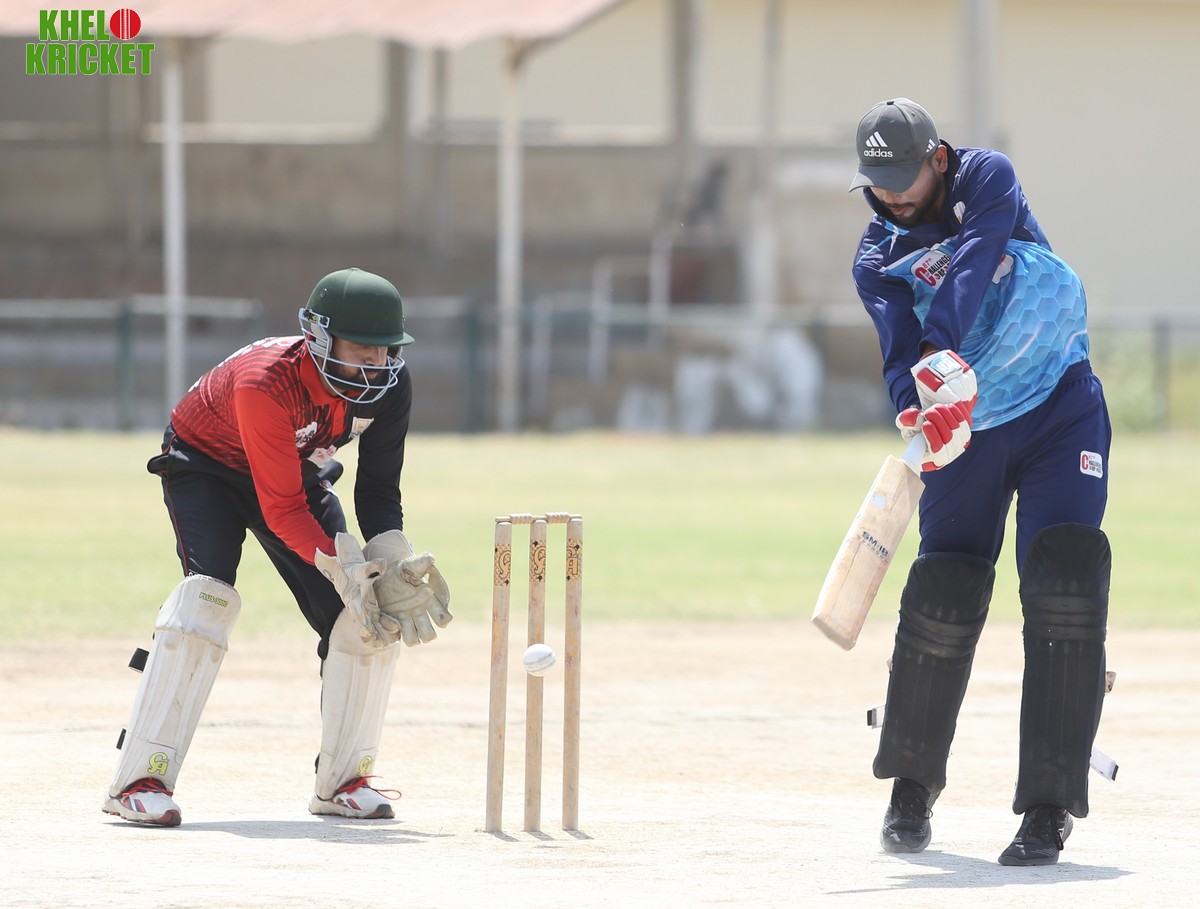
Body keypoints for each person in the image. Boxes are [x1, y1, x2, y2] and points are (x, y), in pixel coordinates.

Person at [848, 99, 1112, 866]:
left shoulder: (985, 177)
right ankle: (910, 787)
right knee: (945, 586)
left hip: (1059, 401)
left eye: (904, 177)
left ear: (937, 159)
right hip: (970, 426)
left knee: (1064, 579)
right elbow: (897, 355)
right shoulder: (875, 258)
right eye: (877, 182)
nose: (892, 196)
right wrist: (915, 404)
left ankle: (1049, 806)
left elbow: (972, 261)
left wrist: (939, 355)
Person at [102, 267, 452, 827]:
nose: (376, 365)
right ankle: (139, 780)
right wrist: (343, 566)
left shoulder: (390, 385)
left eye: (386, 350)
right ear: (318, 339)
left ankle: (343, 781)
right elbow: (282, 511)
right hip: (208, 467)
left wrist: (389, 561)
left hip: (296, 470)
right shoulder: (267, 383)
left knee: (364, 616)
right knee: (206, 600)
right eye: (361, 350)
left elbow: (379, 492)